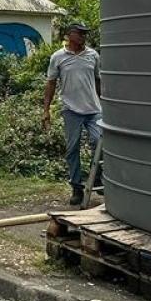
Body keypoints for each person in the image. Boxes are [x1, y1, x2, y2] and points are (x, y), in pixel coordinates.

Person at [43, 22, 102, 206]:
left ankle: (97, 177)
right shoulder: (58, 57)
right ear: (69, 35)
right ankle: (77, 187)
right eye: (80, 33)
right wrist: (46, 110)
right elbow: (51, 83)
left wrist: (103, 103)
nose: (83, 37)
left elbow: (98, 80)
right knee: (72, 149)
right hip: (71, 110)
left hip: (93, 109)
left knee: (99, 142)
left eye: (85, 34)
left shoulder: (93, 55)